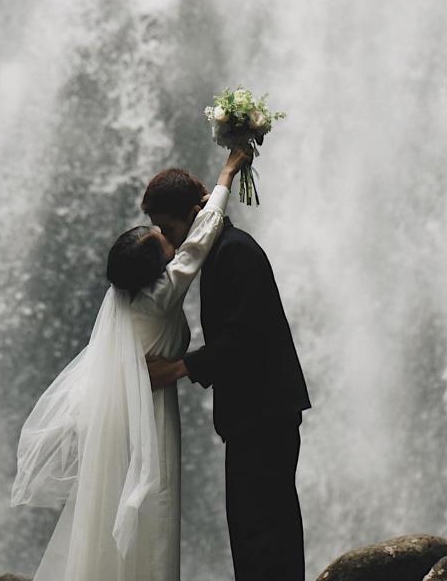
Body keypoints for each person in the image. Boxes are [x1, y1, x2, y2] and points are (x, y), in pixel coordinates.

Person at [10, 145, 252, 581]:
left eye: (163, 228)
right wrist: (227, 172)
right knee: (152, 507)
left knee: (116, 509)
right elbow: (200, 239)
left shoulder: (126, 299)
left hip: (123, 412)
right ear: (157, 268)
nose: (171, 238)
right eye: (163, 238)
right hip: (147, 415)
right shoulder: (159, 297)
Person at [145, 162, 311, 581]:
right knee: (256, 525)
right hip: (256, 414)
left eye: (167, 227)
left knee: (264, 527)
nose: (166, 239)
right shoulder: (222, 251)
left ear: (191, 216)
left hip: (265, 413)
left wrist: (178, 368)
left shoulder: (234, 251)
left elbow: (245, 337)